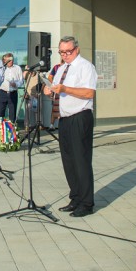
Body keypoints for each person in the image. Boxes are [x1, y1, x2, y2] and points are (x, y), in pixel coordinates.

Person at [43, 37, 97, 218]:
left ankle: (87, 203)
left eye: (68, 51)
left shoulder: (85, 67)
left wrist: (65, 89)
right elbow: (57, 90)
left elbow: (89, 92)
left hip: (80, 116)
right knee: (68, 161)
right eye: (62, 52)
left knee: (81, 160)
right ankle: (75, 198)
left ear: (77, 49)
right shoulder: (61, 69)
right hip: (64, 119)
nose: (65, 55)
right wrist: (49, 90)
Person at [0, 53, 23, 123]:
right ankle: (1, 127)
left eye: (12, 60)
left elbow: (21, 81)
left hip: (13, 93)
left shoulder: (17, 68)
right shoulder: (2, 68)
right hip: (2, 92)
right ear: (5, 61)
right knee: (1, 112)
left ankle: (12, 127)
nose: (11, 62)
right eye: (9, 60)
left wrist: (16, 84)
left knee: (12, 113)